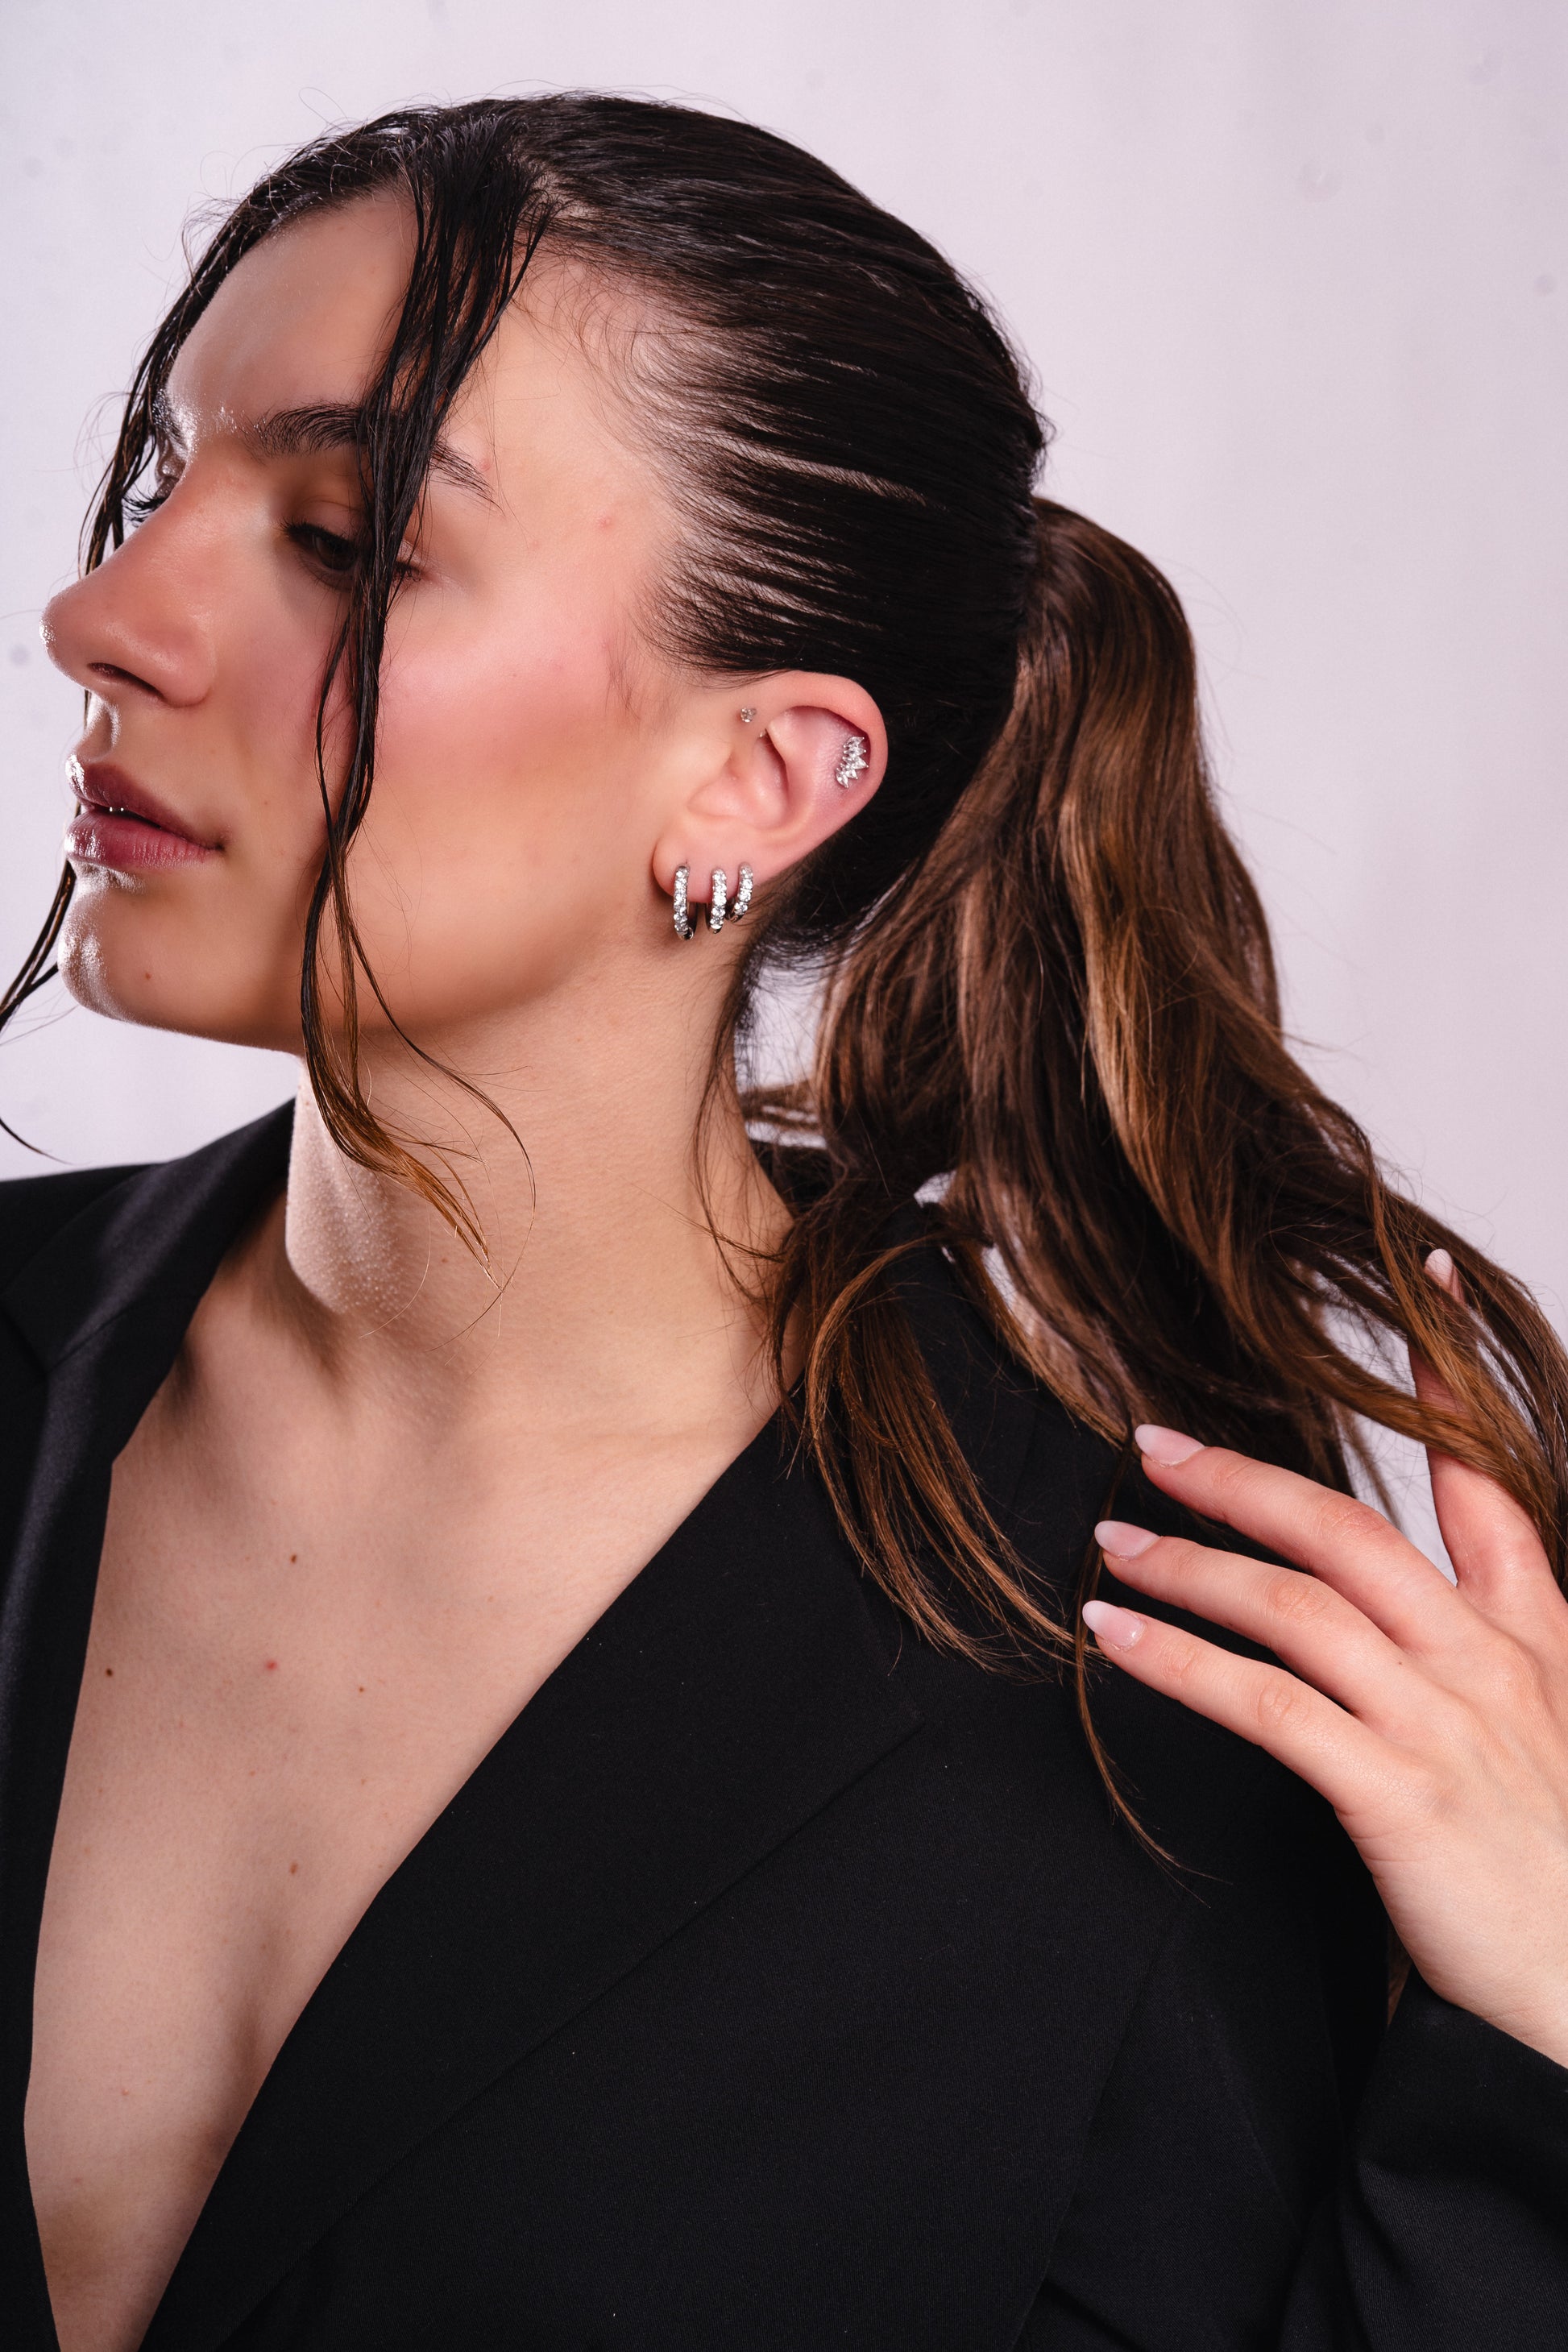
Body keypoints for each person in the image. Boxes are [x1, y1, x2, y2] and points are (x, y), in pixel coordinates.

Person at [1, 94, 1564, 2352]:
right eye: (162, 485)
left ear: (756, 778)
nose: (100, 617)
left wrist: (1528, 2073)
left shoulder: (1118, 1689)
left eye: (346, 540)